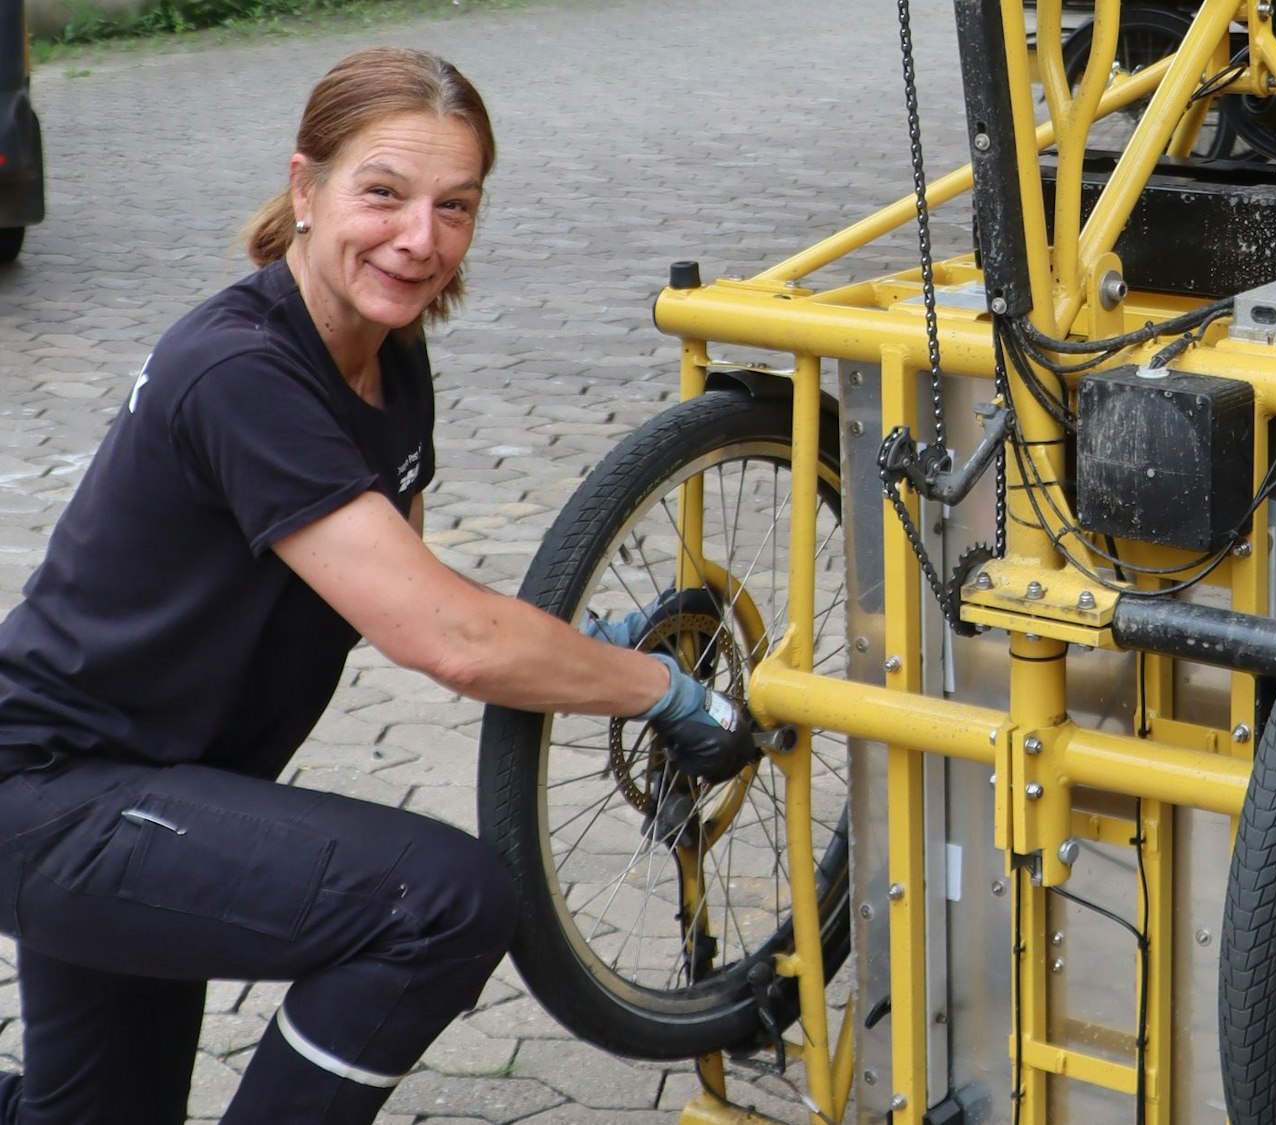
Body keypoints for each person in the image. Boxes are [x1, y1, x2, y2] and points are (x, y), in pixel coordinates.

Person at [0, 46, 753, 1125]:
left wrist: (578, 645)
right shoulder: (243, 372)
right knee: (435, 904)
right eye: (385, 194)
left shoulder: (385, 357)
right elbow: (446, 639)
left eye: (456, 207)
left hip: (155, 789)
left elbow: (408, 589)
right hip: (60, 794)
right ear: (304, 189)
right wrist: (661, 692)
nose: (420, 240)